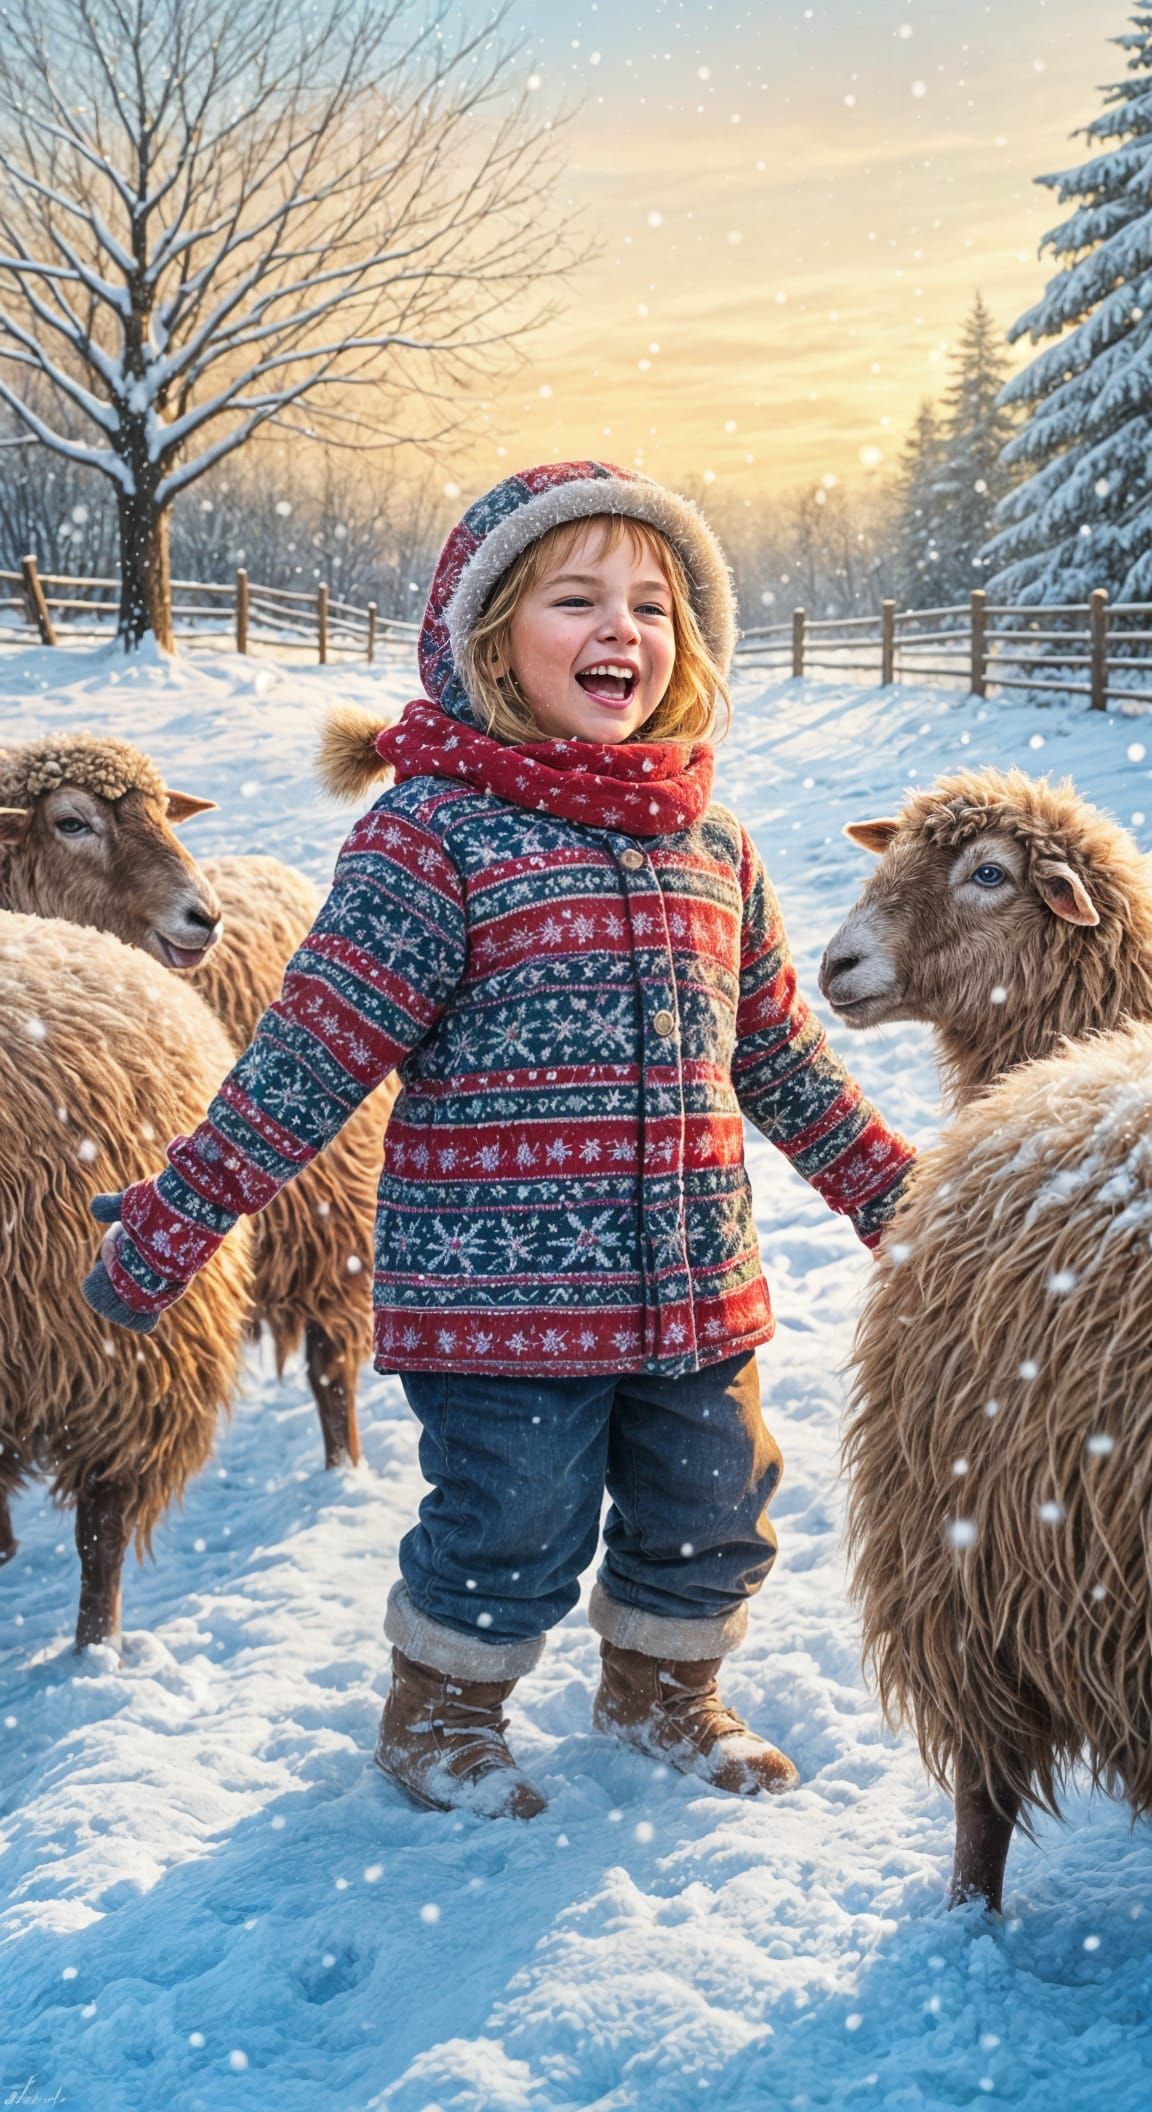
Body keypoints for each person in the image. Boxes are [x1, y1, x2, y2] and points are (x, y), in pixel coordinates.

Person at [83, 461, 915, 1821]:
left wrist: (907, 1203)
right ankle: (443, 1716)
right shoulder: (434, 837)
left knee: (717, 1498)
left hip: (695, 1286)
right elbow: (312, 1055)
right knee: (509, 1517)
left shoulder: (713, 845)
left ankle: (662, 1690)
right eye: (575, 598)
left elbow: (777, 1059)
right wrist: (184, 1211)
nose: (621, 629)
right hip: (497, 1301)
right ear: (486, 637)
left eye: (654, 605)